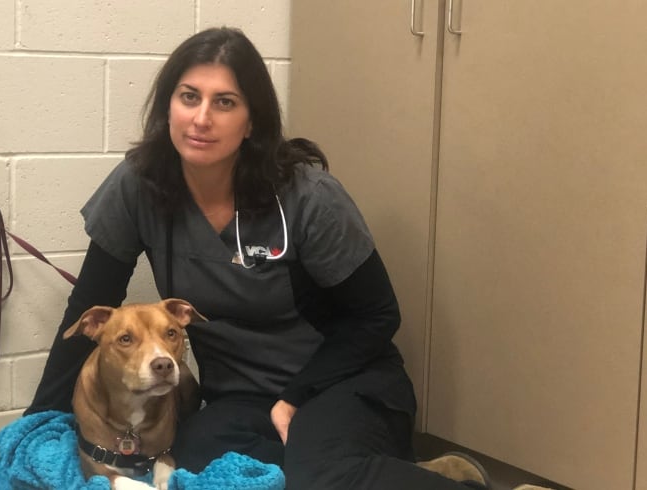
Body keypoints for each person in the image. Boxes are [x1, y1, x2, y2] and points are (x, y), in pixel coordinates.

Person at [25, 26, 495, 490]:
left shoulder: (309, 197)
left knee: (318, 475)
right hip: (243, 401)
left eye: (224, 102)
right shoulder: (138, 185)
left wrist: (295, 397)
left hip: (345, 385)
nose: (202, 118)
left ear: (251, 121)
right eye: (189, 97)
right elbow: (89, 302)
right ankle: (405, 475)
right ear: (167, 106)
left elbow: (377, 316)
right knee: (191, 465)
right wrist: (37, 423)